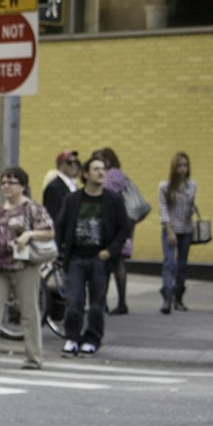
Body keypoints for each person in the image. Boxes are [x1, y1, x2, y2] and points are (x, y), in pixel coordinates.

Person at [0, 165, 53, 370]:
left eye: (11, 182)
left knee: (29, 312)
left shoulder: (32, 208)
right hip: (1, 268)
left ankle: (33, 358)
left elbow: (49, 232)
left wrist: (29, 235)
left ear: (23, 185)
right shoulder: (0, 210)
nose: (6, 186)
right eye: (4, 182)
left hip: (24, 266)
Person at [54, 151, 129, 355]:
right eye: (96, 169)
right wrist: (58, 251)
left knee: (97, 304)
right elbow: (60, 226)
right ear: (86, 174)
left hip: (100, 259)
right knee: (74, 302)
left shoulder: (113, 200)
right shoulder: (73, 199)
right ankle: (72, 337)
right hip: (75, 258)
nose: (101, 172)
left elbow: (124, 228)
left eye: (103, 169)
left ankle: (92, 338)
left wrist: (110, 251)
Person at [158, 152, 198, 314]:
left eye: (185, 165)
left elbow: (191, 206)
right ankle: (167, 298)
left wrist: (193, 211)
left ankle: (179, 298)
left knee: (182, 265)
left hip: (186, 230)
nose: (182, 169)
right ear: (174, 168)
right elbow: (164, 210)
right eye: (179, 166)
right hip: (170, 229)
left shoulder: (192, 186)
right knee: (169, 263)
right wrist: (169, 231)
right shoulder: (164, 186)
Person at [98, 147, 133, 314]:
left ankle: (105, 302)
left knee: (109, 264)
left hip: (111, 225)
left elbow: (104, 197)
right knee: (118, 263)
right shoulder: (120, 174)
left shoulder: (110, 176)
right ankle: (120, 302)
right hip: (122, 223)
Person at [41, 150, 80, 223]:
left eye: (76, 162)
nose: (74, 165)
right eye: (69, 163)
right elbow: (52, 215)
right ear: (61, 165)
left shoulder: (73, 186)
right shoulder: (54, 187)